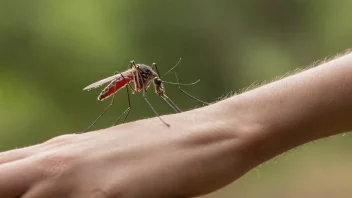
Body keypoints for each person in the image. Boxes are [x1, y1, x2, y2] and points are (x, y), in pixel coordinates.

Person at [1, 50, 352, 198]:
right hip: (127, 86)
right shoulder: (137, 76)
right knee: (126, 94)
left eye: (148, 79)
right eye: (149, 79)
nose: (151, 83)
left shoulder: (149, 77)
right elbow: (136, 79)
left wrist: (224, 127)